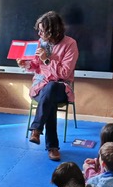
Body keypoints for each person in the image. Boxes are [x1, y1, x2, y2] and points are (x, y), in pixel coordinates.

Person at [18, 11, 78, 161]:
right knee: (48, 97)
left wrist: (47, 60)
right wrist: (25, 64)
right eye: (38, 30)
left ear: (53, 31)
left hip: (61, 88)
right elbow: (35, 66)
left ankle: (36, 129)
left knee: (51, 88)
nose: (39, 34)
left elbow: (64, 73)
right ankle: (52, 147)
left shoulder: (70, 44)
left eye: (42, 31)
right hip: (40, 87)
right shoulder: (40, 42)